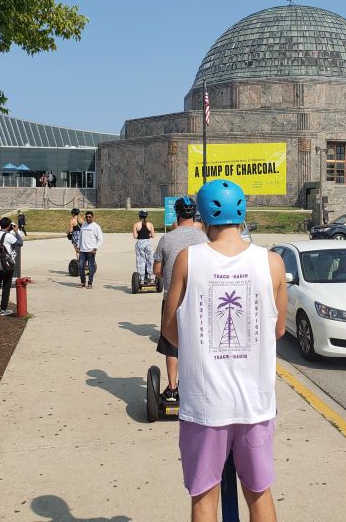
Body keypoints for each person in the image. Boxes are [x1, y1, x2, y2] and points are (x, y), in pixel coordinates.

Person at [162, 179, 287, 522]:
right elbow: (278, 329)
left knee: (204, 497)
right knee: (259, 493)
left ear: (202, 217)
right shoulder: (272, 262)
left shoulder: (190, 259)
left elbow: (169, 328)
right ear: (243, 212)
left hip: (205, 404)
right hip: (255, 402)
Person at [153, 196, 207, 403]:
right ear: (194, 214)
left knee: (171, 344)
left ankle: (172, 388)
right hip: (198, 301)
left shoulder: (167, 239)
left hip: (171, 300)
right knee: (196, 343)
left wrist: (169, 273)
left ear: (176, 214)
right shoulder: (204, 239)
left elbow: (157, 270)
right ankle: (193, 385)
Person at [0, 218, 21, 315]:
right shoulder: (8, 236)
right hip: (6, 265)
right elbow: (20, 243)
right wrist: (16, 232)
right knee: (6, 286)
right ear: (9, 225)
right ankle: (3, 309)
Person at [78, 211, 103, 288]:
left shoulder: (96, 226)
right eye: (87, 217)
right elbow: (80, 237)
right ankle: (82, 282)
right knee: (80, 266)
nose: (88, 218)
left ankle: (90, 283)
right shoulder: (83, 225)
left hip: (91, 251)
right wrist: (79, 246)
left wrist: (95, 248)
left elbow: (100, 239)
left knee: (91, 267)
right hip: (82, 251)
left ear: (92, 217)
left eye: (89, 217)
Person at [132, 210, 156, 284]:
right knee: (150, 259)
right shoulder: (150, 224)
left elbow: (135, 236)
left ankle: (141, 278)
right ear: (146, 216)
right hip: (148, 243)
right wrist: (147, 235)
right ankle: (151, 277)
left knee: (141, 260)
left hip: (140, 243)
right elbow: (153, 235)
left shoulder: (136, 225)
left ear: (139, 216)